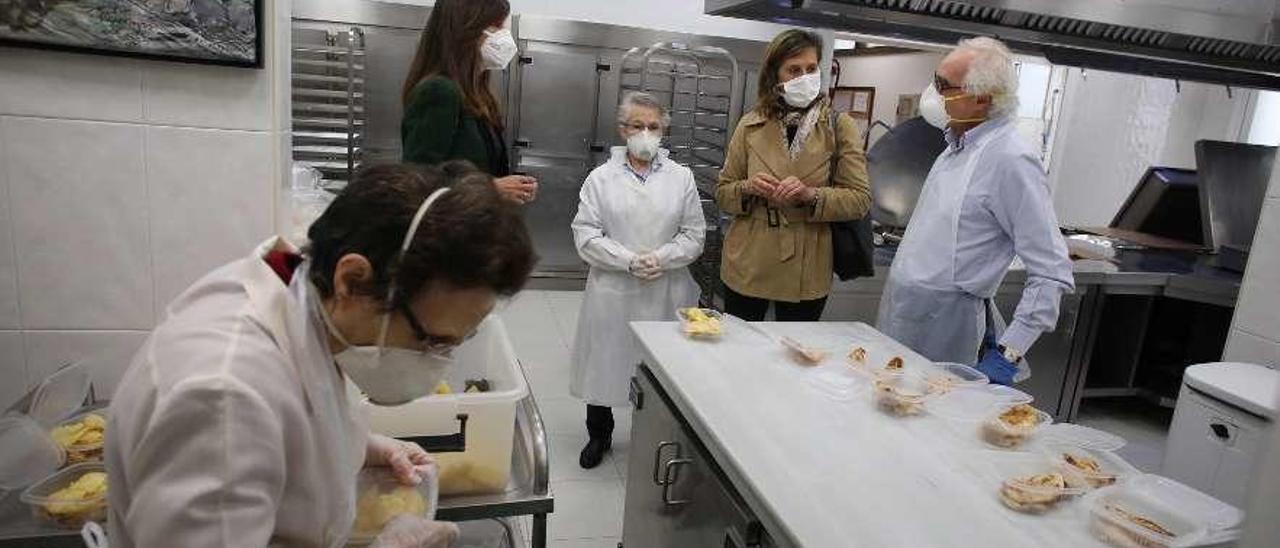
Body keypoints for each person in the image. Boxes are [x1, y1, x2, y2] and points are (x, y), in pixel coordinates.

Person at [105, 162, 537, 547]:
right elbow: (256, 421)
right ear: (352, 280)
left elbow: (300, 398)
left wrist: (360, 444)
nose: (439, 361)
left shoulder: (292, 273)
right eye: (431, 340)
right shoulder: (223, 399)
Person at [875, 37, 1075, 386]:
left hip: (950, 332)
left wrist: (1009, 352)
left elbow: (1052, 272)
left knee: (935, 429)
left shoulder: (1011, 159)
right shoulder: (954, 148)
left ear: (982, 97)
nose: (931, 93)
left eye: (943, 86)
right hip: (903, 317)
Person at [570, 92, 706, 468]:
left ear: (663, 131)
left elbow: (694, 234)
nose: (645, 133)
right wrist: (629, 262)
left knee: (661, 370)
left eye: (653, 126)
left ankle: (656, 437)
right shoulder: (600, 178)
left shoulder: (682, 178)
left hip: (667, 287)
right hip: (614, 289)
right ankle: (599, 434)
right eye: (637, 126)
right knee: (605, 362)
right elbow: (586, 236)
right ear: (622, 129)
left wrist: (662, 258)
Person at [715, 29, 872, 322]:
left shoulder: (839, 126)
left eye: (811, 69)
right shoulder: (750, 125)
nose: (804, 76)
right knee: (738, 352)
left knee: (794, 356)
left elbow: (860, 200)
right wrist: (748, 188)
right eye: (794, 70)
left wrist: (810, 195)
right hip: (749, 258)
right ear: (776, 76)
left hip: (808, 262)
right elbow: (723, 192)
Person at [401, 0, 538, 205]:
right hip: (447, 232)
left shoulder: (479, 95)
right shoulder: (439, 91)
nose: (504, 35)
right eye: (496, 26)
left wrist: (510, 187)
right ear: (466, 31)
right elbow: (417, 182)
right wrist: (492, 189)